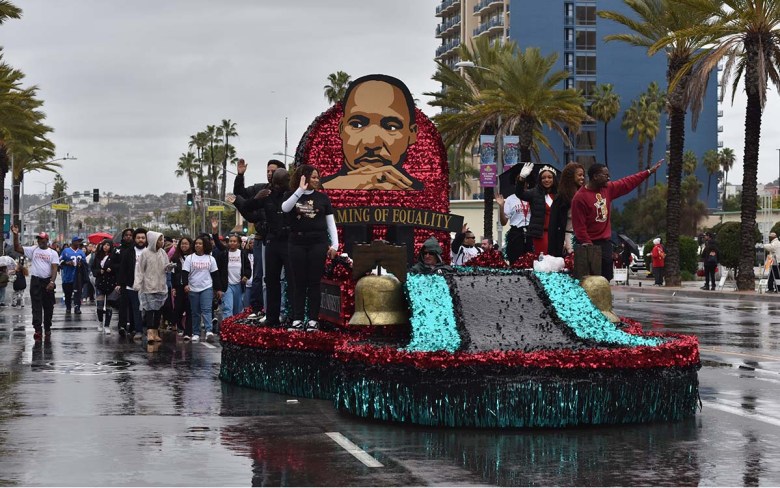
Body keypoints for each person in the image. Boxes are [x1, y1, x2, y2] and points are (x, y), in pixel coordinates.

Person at [321, 74, 423, 191]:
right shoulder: (319, 190)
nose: (371, 143)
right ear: (341, 129)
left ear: (412, 134)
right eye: (357, 125)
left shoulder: (425, 195)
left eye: (391, 127)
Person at [571, 160, 662, 281]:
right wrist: (590, 248)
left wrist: (648, 172)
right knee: (590, 280)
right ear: (595, 176)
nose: (609, 178)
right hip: (588, 245)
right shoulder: (579, 198)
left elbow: (627, 183)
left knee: (606, 278)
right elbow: (579, 227)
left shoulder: (608, 189)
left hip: (605, 243)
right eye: (605, 175)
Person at [281, 164, 339, 332]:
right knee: (298, 282)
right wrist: (299, 190)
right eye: (313, 177)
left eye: (317, 177)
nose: (316, 180)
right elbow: (285, 208)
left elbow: (331, 224)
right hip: (296, 243)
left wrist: (335, 245)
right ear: (303, 177)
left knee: (314, 282)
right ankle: (298, 319)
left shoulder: (322, 198)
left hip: (318, 243)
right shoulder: (291, 195)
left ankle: (313, 319)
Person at [238, 167, 292, 327]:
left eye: (280, 183)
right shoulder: (266, 195)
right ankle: (272, 317)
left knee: (291, 281)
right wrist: (256, 199)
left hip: (289, 242)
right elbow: (246, 208)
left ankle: (291, 316)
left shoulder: (290, 195)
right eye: (275, 183)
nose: (277, 186)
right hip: (272, 241)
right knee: (271, 280)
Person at [233, 158, 283, 316]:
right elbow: (241, 195)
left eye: (273, 171)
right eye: (268, 171)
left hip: (280, 240)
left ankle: (279, 310)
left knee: (278, 278)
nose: (269, 173)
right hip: (262, 239)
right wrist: (240, 176)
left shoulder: (287, 193)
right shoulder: (261, 189)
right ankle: (257, 309)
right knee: (259, 277)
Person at [12, 226, 59, 341]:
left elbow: (54, 269)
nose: (40, 242)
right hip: (36, 281)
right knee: (36, 306)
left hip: (47, 281)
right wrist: (15, 235)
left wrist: (52, 282)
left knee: (48, 307)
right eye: (38, 240)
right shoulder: (33, 249)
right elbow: (17, 248)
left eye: (42, 240)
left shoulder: (52, 253)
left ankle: (47, 327)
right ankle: (38, 329)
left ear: (47, 241)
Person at [182, 235, 222, 342]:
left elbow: (215, 275)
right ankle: (196, 332)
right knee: (195, 312)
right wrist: (185, 284)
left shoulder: (210, 259)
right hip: (193, 288)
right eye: (196, 244)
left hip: (206, 287)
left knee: (207, 309)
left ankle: (209, 331)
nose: (198, 245)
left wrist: (218, 289)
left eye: (200, 244)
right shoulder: (189, 258)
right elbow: (185, 273)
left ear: (205, 246)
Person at [515, 163, 558, 256]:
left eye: (550, 177)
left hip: (556, 233)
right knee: (544, 260)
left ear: (554, 179)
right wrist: (521, 178)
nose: (547, 180)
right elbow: (520, 193)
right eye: (543, 178)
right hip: (540, 234)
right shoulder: (534, 192)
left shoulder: (559, 194)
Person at [135, 231, 170, 343]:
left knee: (158, 310)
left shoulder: (163, 253)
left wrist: (169, 267)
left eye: (162, 239)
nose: (161, 242)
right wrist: (138, 284)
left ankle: (155, 331)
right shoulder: (145, 253)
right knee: (150, 310)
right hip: (148, 286)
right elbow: (140, 269)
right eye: (159, 240)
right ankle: (150, 332)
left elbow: (166, 266)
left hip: (161, 285)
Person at [548, 162, 585, 258]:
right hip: (568, 239)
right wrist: (560, 243)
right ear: (571, 176)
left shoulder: (585, 194)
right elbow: (553, 224)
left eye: (583, 175)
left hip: (584, 239)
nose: (582, 178)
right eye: (579, 175)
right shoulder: (561, 197)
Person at [117, 228, 148, 340]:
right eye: (138, 238)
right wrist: (120, 284)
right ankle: (138, 330)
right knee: (136, 309)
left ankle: (150, 330)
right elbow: (123, 269)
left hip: (147, 286)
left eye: (143, 238)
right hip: (131, 285)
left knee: (148, 310)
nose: (140, 240)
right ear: (135, 239)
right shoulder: (129, 252)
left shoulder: (149, 251)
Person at [217, 234, 251, 320]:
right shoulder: (224, 254)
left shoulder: (242, 254)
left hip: (239, 285)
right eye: (230, 241)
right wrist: (219, 288)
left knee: (238, 309)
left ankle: (236, 329)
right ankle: (227, 328)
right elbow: (218, 270)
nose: (232, 243)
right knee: (228, 307)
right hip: (227, 285)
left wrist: (246, 276)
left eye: (234, 241)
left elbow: (248, 267)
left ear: (239, 243)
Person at [496, 191, 533, 264]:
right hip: (516, 232)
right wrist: (501, 206)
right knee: (515, 261)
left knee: (531, 260)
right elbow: (503, 222)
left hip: (531, 231)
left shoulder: (532, 196)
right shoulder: (510, 199)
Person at [92, 238, 120, 333]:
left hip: (111, 284)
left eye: (108, 245)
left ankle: (107, 325)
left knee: (109, 306)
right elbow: (93, 269)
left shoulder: (114, 256)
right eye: (104, 245)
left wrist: (111, 269)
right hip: (100, 283)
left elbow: (118, 267)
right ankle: (100, 322)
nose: (106, 247)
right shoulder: (97, 256)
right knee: (99, 305)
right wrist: (99, 271)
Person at [170, 237, 193, 338]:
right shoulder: (175, 257)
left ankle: (188, 331)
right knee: (178, 308)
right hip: (179, 286)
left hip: (191, 286)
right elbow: (173, 273)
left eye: (186, 244)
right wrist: (173, 287)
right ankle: (179, 325)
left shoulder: (193, 257)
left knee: (189, 309)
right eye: (182, 244)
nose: (184, 246)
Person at [116, 227, 135, 336]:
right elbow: (113, 263)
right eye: (126, 235)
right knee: (123, 305)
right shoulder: (119, 249)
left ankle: (132, 326)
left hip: (134, 281)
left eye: (130, 235)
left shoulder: (136, 249)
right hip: (123, 281)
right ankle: (122, 325)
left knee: (133, 305)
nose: (128, 237)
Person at [60, 236, 86, 314]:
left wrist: (81, 264)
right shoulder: (66, 251)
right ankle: (68, 307)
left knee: (78, 294)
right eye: (77, 241)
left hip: (78, 277)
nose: (79, 243)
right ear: (73, 242)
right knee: (68, 294)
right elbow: (59, 261)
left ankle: (77, 307)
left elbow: (85, 264)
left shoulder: (81, 252)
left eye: (80, 241)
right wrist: (67, 263)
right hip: (67, 277)